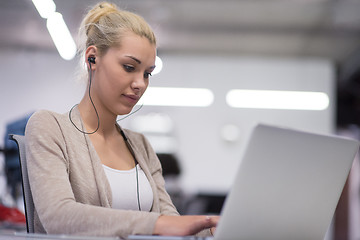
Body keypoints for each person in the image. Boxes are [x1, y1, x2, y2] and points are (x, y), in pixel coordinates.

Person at [25, 1, 218, 238]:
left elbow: (172, 222)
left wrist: (206, 229)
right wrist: (154, 224)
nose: (140, 84)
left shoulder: (141, 146)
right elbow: (58, 216)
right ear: (92, 59)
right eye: (129, 67)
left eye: (147, 73)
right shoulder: (49, 127)